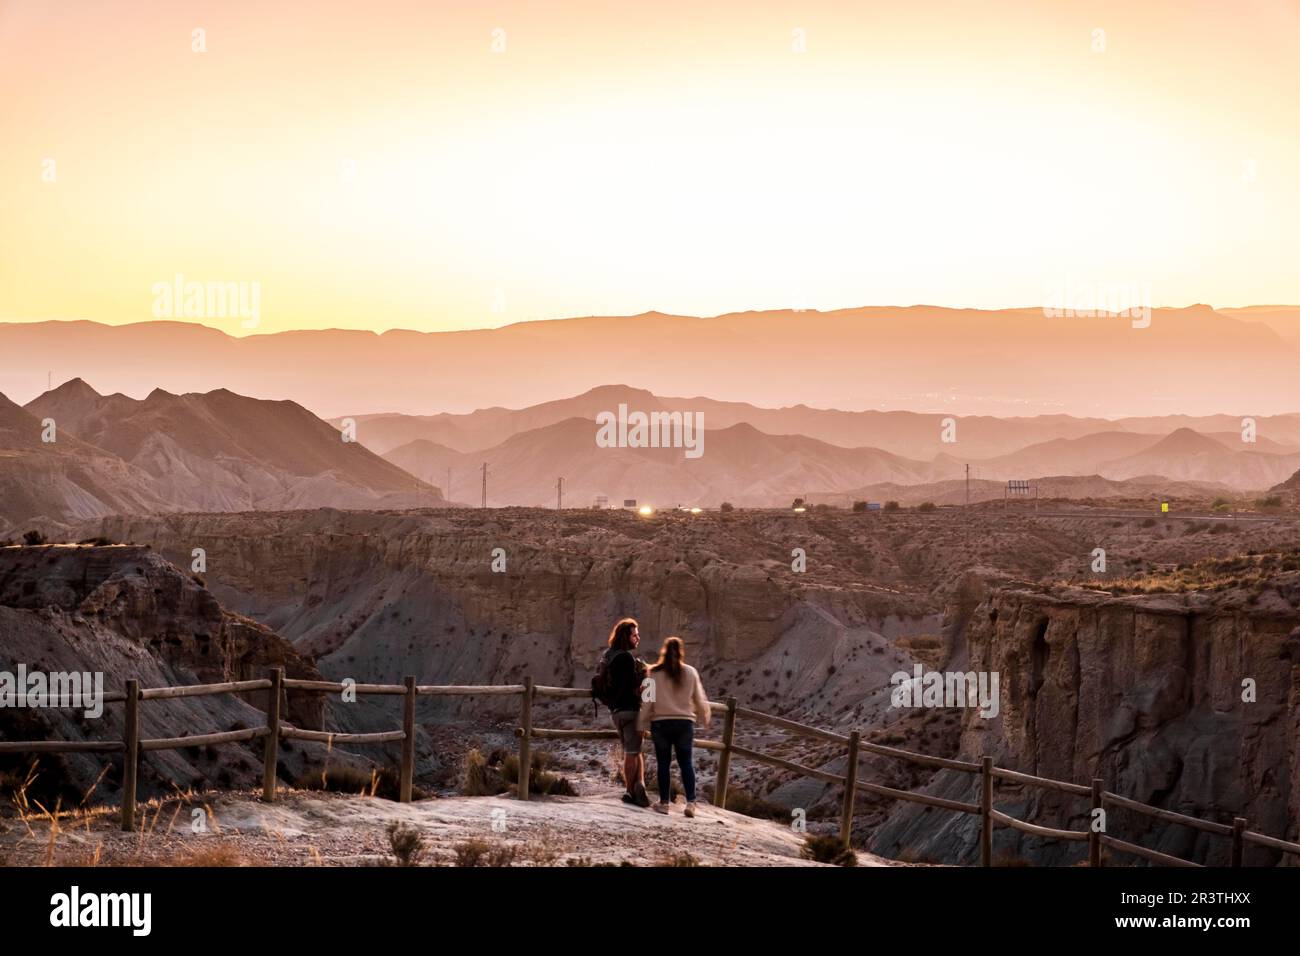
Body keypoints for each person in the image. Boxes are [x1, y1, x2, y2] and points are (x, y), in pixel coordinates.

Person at [638, 636, 711, 817]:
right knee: (686, 763)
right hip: (684, 724)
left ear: (663, 651)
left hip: (661, 724)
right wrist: (705, 716)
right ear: (681, 652)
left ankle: (664, 803)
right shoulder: (691, 672)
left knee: (663, 764)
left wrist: (641, 723)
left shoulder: (652, 673)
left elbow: (647, 703)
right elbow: (699, 698)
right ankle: (691, 803)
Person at [597, 617, 651, 807]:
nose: (638, 638)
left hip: (615, 712)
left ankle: (640, 786)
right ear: (626, 636)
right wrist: (645, 678)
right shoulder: (626, 658)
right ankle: (629, 792)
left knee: (635, 751)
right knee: (632, 751)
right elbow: (633, 688)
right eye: (635, 635)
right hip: (631, 711)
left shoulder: (607, 655)